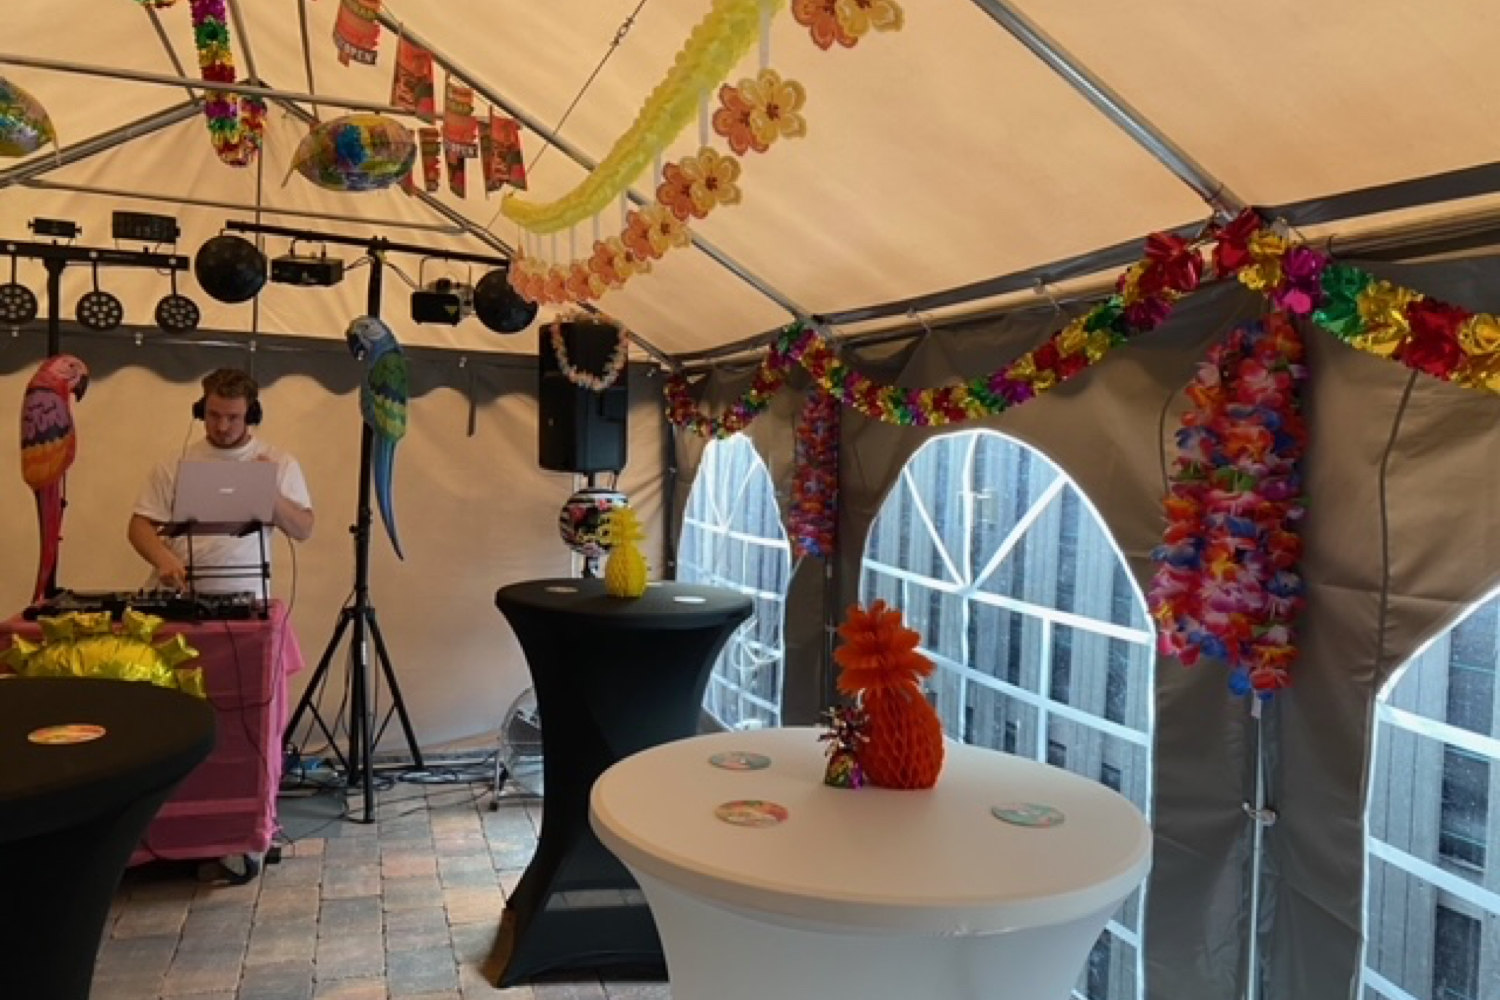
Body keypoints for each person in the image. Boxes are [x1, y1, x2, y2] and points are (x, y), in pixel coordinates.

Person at [128, 368, 314, 594]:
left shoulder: (280, 462)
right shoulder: (174, 463)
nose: (222, 427)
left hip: (246, 597)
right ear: (200, 411)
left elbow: (303, 529)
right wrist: (163, 559)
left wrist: (269, 491)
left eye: (233, 417)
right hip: (179, 595)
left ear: (250, 415)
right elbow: (139, 526)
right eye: (214, 415)